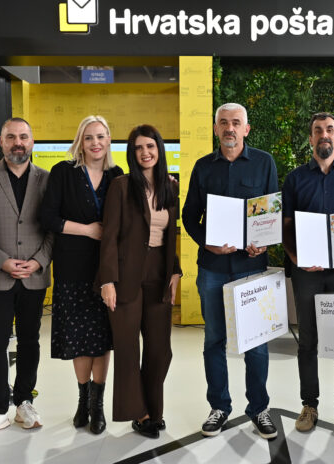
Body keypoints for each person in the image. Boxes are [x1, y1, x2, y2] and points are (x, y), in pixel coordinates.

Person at [182, 103, 279, 439]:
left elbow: (271, 212)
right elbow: (189, 216)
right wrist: (206, 243)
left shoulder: (265, 162)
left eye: (236, 122)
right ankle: (219, 407)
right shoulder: (202, 167)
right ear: (215, 128)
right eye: (223, 122)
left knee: (257, 344)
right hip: (212, 268)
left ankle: (259, 408)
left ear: (246, 129)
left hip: (251, 267)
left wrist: (263, 243)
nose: (230, 128)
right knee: (214, 340)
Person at [281, 112, 334, 436]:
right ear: (311, 138)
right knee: (308, 341)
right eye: (318, 130)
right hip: (307, 273)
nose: (324, 135)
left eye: (330, 129)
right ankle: (309, 405)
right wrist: (297, 259)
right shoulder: (295, 179)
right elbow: (285, 225)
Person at [96, 125, 181, 439]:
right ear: (132, 153)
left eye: (150, 146)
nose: (145, 153)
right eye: (138, 148)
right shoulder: (121, 186)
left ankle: (153, 408)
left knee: (160, 350)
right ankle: (141, 414)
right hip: (125, 276)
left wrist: (175, 272)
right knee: (128, 348)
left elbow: (171, 236)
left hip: (159, 274)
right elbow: (109, 236)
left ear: (159, 149)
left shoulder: (170, 186)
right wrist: (107, 280)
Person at [39, 115, 123, 434]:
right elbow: (48, 217)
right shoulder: (63, 172)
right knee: (79, 339)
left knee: (102, 338)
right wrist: (87, 230)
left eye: (101, 136)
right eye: (89, 137)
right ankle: (82, 399)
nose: (95, 143)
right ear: (80, 142)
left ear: (108, 140)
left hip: (107, 270)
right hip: (72, 268)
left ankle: (97, 405)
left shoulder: (117, 175)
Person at [0, 118, 53, 439]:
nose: (17, 142)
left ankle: (24, 402)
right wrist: (1, 261)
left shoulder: (48, 179)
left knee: (30, 341)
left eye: (23, 136)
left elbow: (54, 228)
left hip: (34, 276)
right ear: (1, 142)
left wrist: (38, 261)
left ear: (32, 141)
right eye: (11, 137)